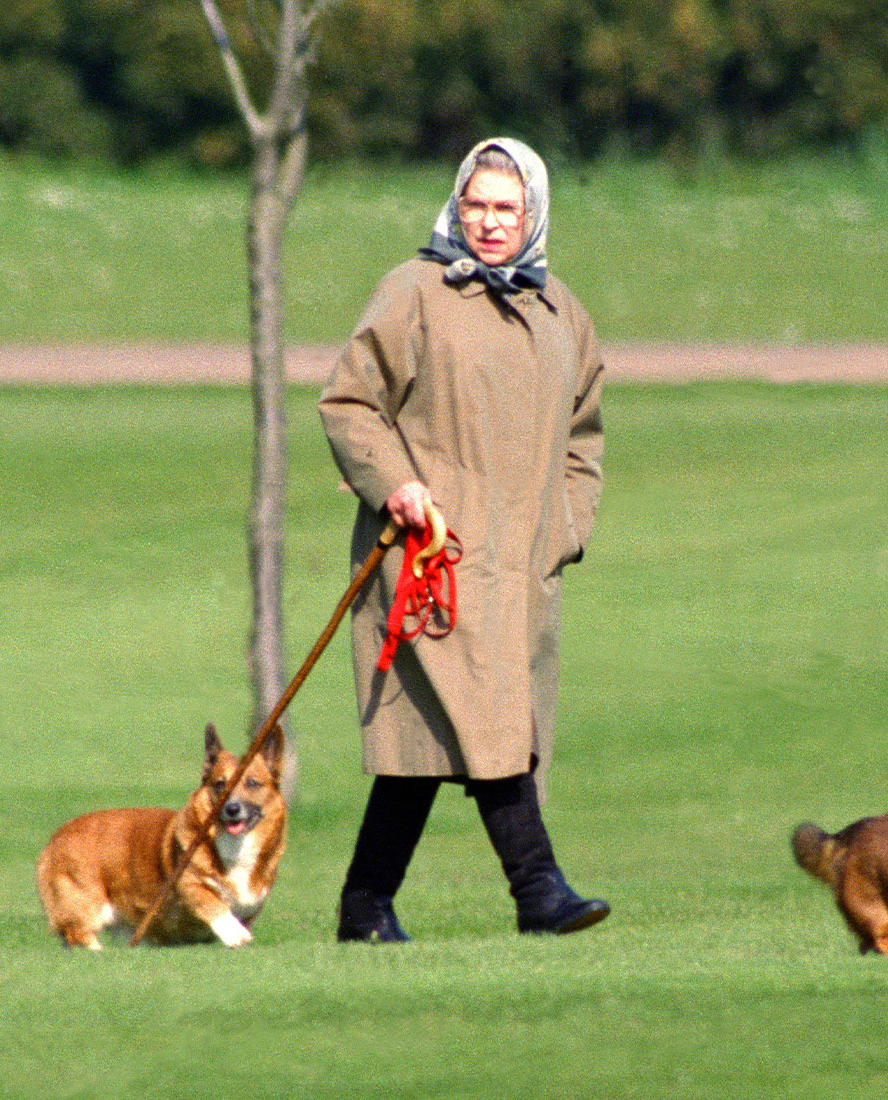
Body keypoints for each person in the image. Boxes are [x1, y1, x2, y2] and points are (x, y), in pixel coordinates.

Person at [319, 137, 609, 942]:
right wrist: (394, 483)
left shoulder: (563, 314)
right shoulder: (412, 291)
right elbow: (350, 403)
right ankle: (539, 892)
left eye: (506, 208)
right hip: (428, 562)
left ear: (533, 214)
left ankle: (364, 907)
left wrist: (567, 530)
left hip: (523, 570)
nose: (489, 222)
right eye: (475, 204)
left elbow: (584, 436)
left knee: (432, 743)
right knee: (488, 722)